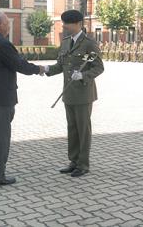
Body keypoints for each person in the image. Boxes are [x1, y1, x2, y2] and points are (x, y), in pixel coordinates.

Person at [0, 10, 45, 186]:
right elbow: (19, 64)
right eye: (7, 23)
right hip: (0, 100)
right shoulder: (1, 43)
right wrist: (40, 69)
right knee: (0, 140)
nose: (9, 26)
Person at [44, 10, 104, 177]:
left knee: (83, 129)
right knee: (72, 128)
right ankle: (74, 161)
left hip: (84, 94)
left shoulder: (89, 43)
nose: (64, 26)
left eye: (66, 23)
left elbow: (98, 67)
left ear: (78, 23)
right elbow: (60, 65)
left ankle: (83, 164)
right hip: (69, 93)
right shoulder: (65, 42)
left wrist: (83, 76)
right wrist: (47, 69)